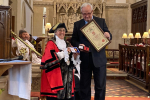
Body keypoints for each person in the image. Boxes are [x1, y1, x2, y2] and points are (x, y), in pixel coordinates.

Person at [71, 3, 112, 100]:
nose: (86, 16)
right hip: (85, 59)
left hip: (99, 59)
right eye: (84, 14)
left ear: (92, 12)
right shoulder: (77, 24)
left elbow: (108, 34)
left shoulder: (101, 21)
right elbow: (73, 39)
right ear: (81, 13)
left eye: (88, 13)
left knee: (100, 86)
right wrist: (79, 45)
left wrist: (108, 35)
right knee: (84, 86)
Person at [40, 23, 76, 100]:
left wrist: (72, 54)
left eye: (63, 30)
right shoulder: (51, 43)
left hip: (67, 74)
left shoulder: (67, 43)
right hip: (55, 74)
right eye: (59, 30)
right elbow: (48, 58)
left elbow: (71, 57)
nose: (62, 32)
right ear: (55, 32)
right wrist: (63, 53)